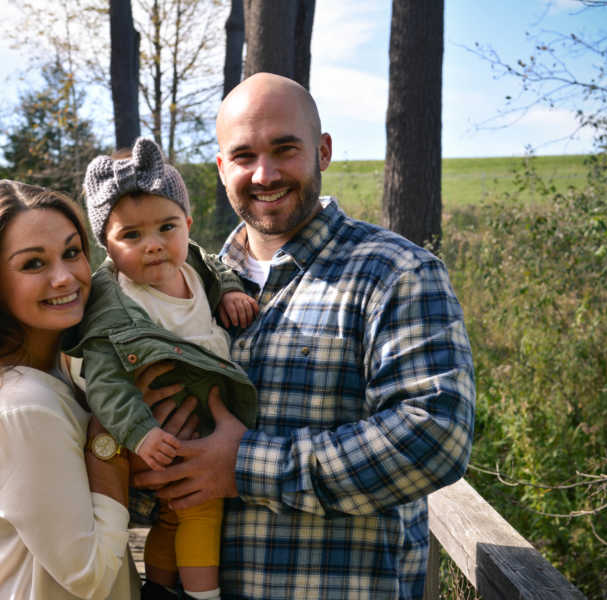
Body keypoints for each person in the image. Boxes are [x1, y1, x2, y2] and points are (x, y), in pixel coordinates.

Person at [134, 72, 477, 599]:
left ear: (322, 151)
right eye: (244, 155)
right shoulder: (182, 288)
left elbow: (435, 436)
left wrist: (244, 466)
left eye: (285, 149)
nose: (264, 173)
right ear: (223, 168)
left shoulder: (397, 273)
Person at [0, 179, 197, 600]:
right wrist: (108, 439)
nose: (64, 278)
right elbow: (90, 576)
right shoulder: (23, 407)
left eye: (72, 252)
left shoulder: (59, 374)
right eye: (33, 264)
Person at [64, 137, 259, 600]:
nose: (153, 246)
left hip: (196, 410)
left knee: (176, 514)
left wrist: (230, 290)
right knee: (202, 509)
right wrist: (140, 434)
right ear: (106, 246)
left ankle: (162, 587)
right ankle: (201, 595)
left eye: (166, 228)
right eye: (131, 235)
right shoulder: (114, 303)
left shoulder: (194, 265)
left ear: (187, 225)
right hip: (151, 422)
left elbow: (215, 266)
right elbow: (107, 384)